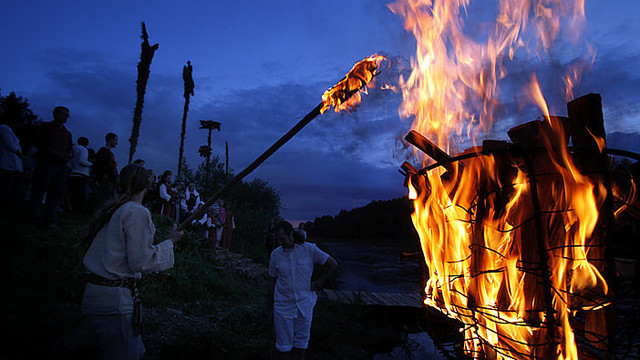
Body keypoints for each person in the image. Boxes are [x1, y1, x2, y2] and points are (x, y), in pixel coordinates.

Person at [79, 164, 183, 360]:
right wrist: (171, 242)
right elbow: (140, 260)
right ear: (147, 184)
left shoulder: (115, 209)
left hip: (95, 297)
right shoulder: (136, 211)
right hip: (114, 302)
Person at [268, 221, 338, 360]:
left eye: (282, 239)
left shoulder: (309, 249)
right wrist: (270, 307)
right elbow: (271, 282)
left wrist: (319, 283)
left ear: (291, 234)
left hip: (305, 305)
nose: (280, 243)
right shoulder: (275, 255)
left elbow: (332, 264)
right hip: (282, 307)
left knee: (301, 347)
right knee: (283, 348)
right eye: (277, 240)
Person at [26, 106, 73, 228]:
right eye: (64, 114)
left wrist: (68, 155)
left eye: (67, 115)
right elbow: (40, 144)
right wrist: (58, 154)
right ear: (55, 114)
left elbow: (70, 149)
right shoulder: (45, 127)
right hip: (46, 163)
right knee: (39, 190)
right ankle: (33, 218)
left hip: (60, 166)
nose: (66, 117)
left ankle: (50, 219)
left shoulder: (67, 133)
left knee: (56, 193)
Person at [0, 116, 23, 212]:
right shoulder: (4, 128)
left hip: (15, 165)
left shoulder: (12, 132)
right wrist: (19, 154)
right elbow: (10, 145)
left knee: (13, 188)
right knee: (5, 188)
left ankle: (9, 208)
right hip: (7, 164)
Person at [93, 132, 119, 211]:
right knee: (104, 199)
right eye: (116, 140)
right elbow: (102, 166)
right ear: (111, 140)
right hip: (106, 179)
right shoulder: (104, 151)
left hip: (109, 179)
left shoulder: (108, 152)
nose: (117, 143)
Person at [68, 136, 92, 212]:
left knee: (73, 194)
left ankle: (72, 209)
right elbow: (82, 161)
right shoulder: (83, 150)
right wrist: (92, 164)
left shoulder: (74, 149)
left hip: (74, 172)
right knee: (80, 194)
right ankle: (78, 210)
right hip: (82, 174)